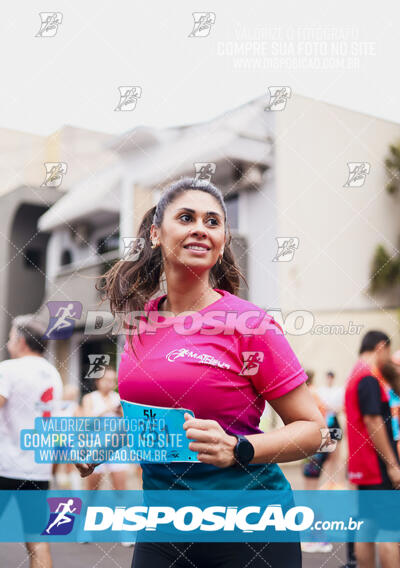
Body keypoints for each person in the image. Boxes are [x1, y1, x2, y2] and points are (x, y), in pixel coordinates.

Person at [77, 177, 326, 567]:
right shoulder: (140, 325)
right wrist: (105, 437)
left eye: (213, 222)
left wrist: (239, 448)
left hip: (251, 525)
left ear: (223, 239)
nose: (201, 229)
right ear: (156, 234)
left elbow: (313, 429)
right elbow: (144, 414)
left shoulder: (249, 324)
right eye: (187, 217)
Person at [0, 314, 63, 568]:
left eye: (12, 336)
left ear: (22, 341)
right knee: (37, 541)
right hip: (38, 469)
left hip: (4, 465)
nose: (8, 341)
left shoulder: (8, 369)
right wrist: (53, 469)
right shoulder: (53, 375)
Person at [344, 330, 400, 568]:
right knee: (390, 532)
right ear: (380, 347)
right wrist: (392, 464)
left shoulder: (353, 376)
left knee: (366, 526)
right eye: (388, 352)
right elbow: (373, 421)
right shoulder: (368, 378)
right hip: (377, 468)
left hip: (363, 468)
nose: (387, 359)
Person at [81, 366, 129, 491]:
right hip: (95, 446)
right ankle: (88, 509)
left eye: (113, 380)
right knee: (92, 490)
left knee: (120, 489)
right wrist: (106, 409)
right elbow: (86, 423)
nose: (110, 383)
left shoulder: (119, 398)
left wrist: (121, 413)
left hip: (116, 448)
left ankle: (120, 510)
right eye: (106, 380)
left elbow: (128, 423)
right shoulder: (90, 398)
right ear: (98, 381)